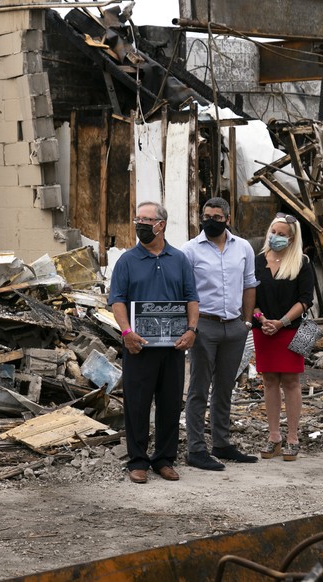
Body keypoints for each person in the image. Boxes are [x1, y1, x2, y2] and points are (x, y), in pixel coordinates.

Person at [109, 201, 199, 484]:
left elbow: (191, 297)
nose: (140, 224)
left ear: (161, 224)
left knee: (171, 403)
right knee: (137, 404)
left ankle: (164, 459)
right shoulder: (126, 261)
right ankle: (137, 461)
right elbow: (117, 301)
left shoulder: (179, 259)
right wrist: (126, 333)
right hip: (138, 346)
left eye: (147, 220)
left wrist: (192, 329)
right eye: (138, 219)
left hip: (173, 347)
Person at [181, 198, 259, 471]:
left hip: (234, 326)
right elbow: (185, 291)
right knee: (199, 389)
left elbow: (250, 284)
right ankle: (196, 449)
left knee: (225, 387)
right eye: (206, 215)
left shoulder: (244, 248)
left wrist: (247, 323)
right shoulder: (190, 250)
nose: (210, 220)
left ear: (227, 218)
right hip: (204, 325)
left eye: (216, 216)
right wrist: (191, 326)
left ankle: (222, 444)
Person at [252, 213, 315, 462]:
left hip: (292, 330)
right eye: (273, 232)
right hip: (263, 329)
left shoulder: (302, 262)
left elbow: (305, 300)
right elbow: (250, 296)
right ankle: (274, 436)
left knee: (291, 381)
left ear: (291, 238)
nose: (275, 237)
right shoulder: (258, 261)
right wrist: (261, 319)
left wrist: (281, 322)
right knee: (269, 381)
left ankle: (292, 438)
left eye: (281, 234)